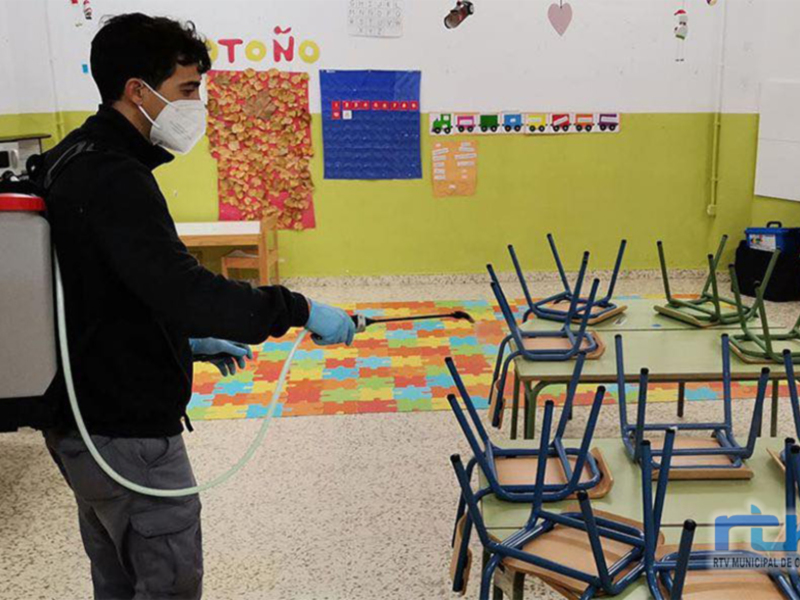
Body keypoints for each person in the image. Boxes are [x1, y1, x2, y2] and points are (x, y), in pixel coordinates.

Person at [38, 13, 355, 600]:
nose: (197, 105)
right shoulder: (114, 175)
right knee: (168, 584)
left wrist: (180, 342)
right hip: (125, 432)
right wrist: (299, 307)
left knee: (118, 576)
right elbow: (188, 290)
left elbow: (100, 293)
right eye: (188, 90)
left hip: (83, 421)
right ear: (138, 90)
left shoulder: (71, 158)